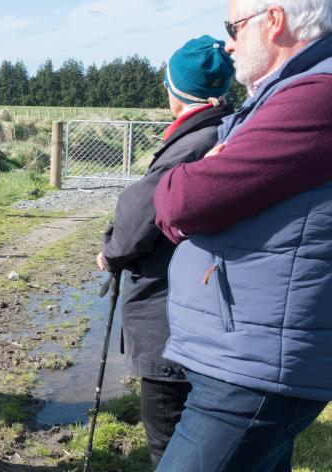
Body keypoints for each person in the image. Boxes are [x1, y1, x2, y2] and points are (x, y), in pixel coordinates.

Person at [153, 1, 332, 470]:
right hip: (255, 346)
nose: (229, 42)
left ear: (274, 21)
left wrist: (184, 192)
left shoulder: (315, 96)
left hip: (258, 365)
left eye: (233, 27)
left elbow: (182, 199)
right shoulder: (286, 92)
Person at [97, 36, 234, 468]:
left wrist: (111, 252)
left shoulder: (192, 142)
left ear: (175, 89)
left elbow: (140, 215)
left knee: (169, 436)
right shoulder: (223, 128)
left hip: (167, 309)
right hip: (196, 301)